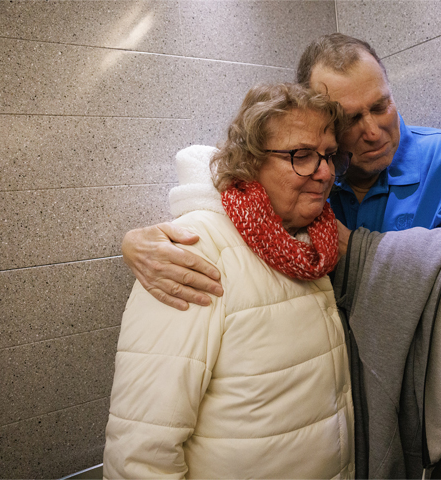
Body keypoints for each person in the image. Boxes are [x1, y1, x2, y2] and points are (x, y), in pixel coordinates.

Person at [119, 34, 441, 477]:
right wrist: (137, 243)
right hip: (353, 419)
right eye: (351, 119)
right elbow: (227, 191)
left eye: (381, 106)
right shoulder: (309, 183)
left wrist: (360, 253)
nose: (373, 131)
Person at [103, 83, 355, 479]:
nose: (323, 172)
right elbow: (141, 448)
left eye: (327, 155)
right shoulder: (193, 251)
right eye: (301, 156)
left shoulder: (315, 246)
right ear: (251, 161)